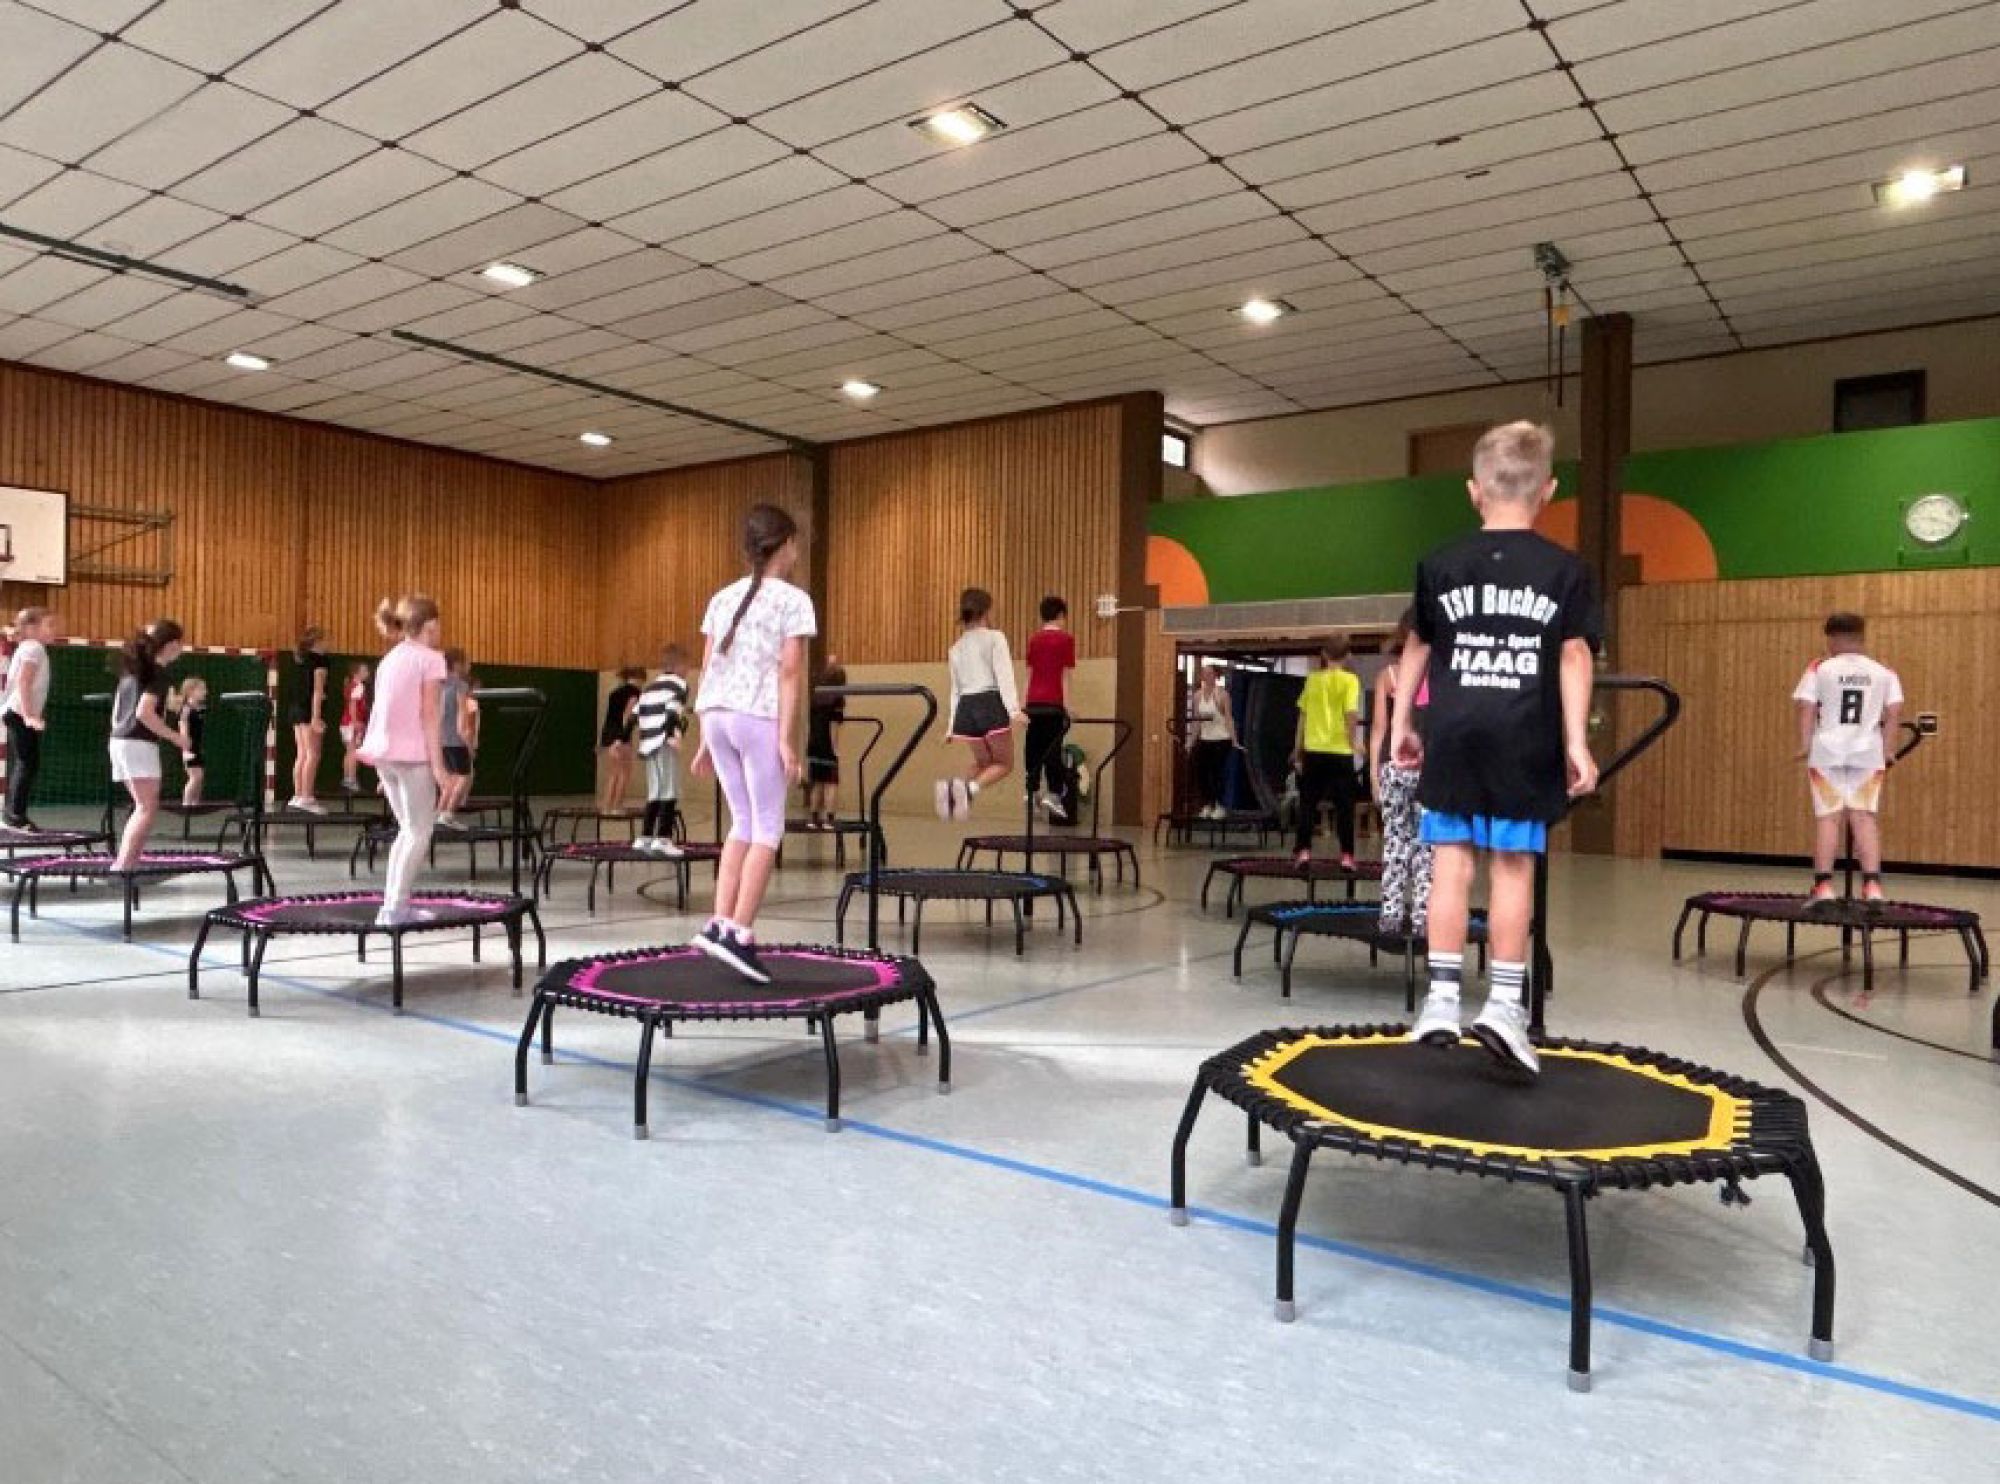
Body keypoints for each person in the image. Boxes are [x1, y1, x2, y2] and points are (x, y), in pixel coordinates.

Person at [1392, 421, 1599, 1076]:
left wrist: (1402, 723)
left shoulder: (1440, 563)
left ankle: (1442, 999)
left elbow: (1416, 647)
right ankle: (1504, 1006)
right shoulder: (1565, 570)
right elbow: (1572, 654)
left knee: (1450, 863)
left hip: (1453, 731)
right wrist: (1576, 742)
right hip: (1523, 735)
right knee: (1513, 866)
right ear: (1549, 492)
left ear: (1474, 491)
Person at [689, 504, 815, 982]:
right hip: (755, 716)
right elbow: (789, 671)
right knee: (767, 830)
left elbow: (709, 663)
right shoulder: (793, 600)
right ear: (784, 545)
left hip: (717, 714)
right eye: (796, 542)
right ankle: (741, 934)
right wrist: (786, 740)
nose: (798, 550)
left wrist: (705, 735)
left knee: (741, 822)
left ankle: (718, 923)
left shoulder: (722, 597)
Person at [1794, 612, 1903, 909]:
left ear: (1832, 638)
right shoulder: (1883, 671)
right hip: (1867, 753)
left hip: (1827, 752)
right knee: (1864, 817)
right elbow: (1893, 712)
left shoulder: (1819, 668)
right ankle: (1872, 886)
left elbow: (1806, 707)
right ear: (1861, 636)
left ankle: (1823, 886)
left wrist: (1804, 745)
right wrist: (1889, 748)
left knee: (1829, 818)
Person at [357, 595, 449, 928]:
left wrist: (385, 764)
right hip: (411, 756)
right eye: (438, 624)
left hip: (385, 753)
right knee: (420, 831)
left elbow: (383, 708)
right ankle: (395, 908)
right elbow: (430, 715)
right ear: (430, 625)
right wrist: (438, 766)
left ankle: (395, 903)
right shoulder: (431, 659)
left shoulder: (390, 658)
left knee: (407, 831)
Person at [108, 619, 188, 871]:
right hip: (138, 743)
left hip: (119, 740)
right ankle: (123, 865)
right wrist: (175, 736)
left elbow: (118, 710)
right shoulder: (158, 673)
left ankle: (129, 862)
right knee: (145, 808)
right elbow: (144, 713)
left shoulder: (133, 671)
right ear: (172, 644)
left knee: (142, 806)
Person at [1370, 610, 1430, 937]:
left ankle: (1390, 914)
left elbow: (1380, 727)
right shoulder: (1438, 672)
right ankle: (1422, 917)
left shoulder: (1389, 676)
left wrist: (1373, 776)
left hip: (1393, 766)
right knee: (1426, 845)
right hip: (1426, 767)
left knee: (1395, 841)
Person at [937, 588, 1020, 821]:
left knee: (984, 764)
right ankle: (967, 791)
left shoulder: (955, 648)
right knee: (1004, 764)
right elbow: (1004, 674)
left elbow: (955, 690)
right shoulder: (995, 637)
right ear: (987, 611)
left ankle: (956, 791)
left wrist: (952, 726)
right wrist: (1014, 709)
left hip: (966, 708)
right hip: (989, 703)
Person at [1291, 636, 1364, 868]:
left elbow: (1302, 716)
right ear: (1348, 656)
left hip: (1314, 750)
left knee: (1308, 803)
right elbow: (1351, 714)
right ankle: (1346, 856)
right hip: (1340, 751)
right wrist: (1354, 743)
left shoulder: (1312, 680)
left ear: (1323, 654)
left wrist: (1297, 748)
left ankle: (1303, 851)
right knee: (1344, 805)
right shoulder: (1350, 680)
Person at [1, 606, 60, 830]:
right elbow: (24, 682)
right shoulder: (34, 648)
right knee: (27, 763)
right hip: (18, 712)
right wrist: (28, 715)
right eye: (49, 625)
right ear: (31, 628)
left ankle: (14, 813)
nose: (54, 630)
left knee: (28, 763)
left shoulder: (30, 647)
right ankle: (14, 816)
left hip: (15, 711)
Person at [634, 643, 689, 856]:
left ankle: (645, 837)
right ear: (678, 666)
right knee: (670, 790)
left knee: (654, 791)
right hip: (664, 742)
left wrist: (622, 737)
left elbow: (634, 715)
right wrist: (670, 736)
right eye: (686, 666)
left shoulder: (649, 687)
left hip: (648, 744)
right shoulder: (679, 685)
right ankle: (664, 838)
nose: (687, 671)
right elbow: (673, 712)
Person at [1023, 597, 1075, 823]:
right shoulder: (1066, 639)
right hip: (1053, 704)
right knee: (1053, 749)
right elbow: (1065, 675)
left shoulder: (1034, 640)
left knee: (1033, 746)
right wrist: (1068, 706)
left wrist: (1022, 706)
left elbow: (1029, 674)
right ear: (1061, 615)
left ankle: (1031, 790)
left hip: (1033, 704)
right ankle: (1053, 793)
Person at [1187, 663, 1239, 820]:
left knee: (1218, 774)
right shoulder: (1197, 695)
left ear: (1216, 676)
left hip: (1221, 740)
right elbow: (1196, 721)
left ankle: (1220, 805)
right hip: (1205, 739)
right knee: (1202, 773)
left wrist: (1234, 740)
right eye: (1204, 673)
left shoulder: (1222, 695)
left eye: (1209, 673)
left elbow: (1229, 718)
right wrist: (1190, 741)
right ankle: (1207, 805)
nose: (1206, 676)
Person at [288, 626, 330, 814]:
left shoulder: (301, 659)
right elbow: (317, 691)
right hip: (307, 710)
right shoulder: (320, 661)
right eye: (326, 639)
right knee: (313, 754)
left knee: (302, 754)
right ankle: (307, 796)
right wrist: (316, 717)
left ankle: (298, 795)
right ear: (318, 641)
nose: (329, 642)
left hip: (296, 709)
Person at [804, 658, 846, 830]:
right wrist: (835, 748)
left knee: (817, 782)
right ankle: (829, 820)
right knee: (831, 784)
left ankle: (814, 819)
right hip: (826, 745)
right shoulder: (837, 700)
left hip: (813, 743)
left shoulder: (815, 699)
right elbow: (833, 726)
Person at [437, 649, 475, 828]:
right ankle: (449, 814)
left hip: (441, 740)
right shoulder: (460, 686)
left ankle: (438, 814)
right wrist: (468, 743)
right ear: (457, 664)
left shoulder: (440, 685)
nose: (469, 665)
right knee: (464, 778)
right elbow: (462, 718)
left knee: (450, 779)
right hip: (456, 740)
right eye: (467, 662)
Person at [598, 666, 643, 813]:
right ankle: (617, 806)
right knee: (624, 773)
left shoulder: (615, 692)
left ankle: (606, 807)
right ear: (639, 678)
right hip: (620, 736)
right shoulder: (634, 692)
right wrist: (621, 738)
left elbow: (610, 717)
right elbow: (627, 717)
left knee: (613, 774)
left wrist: (605, 740)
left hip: (608, 734)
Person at [175, 676, 209, 807]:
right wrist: (185, 750)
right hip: (189, 748)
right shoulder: (186, 710)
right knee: (196, 777)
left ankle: (195, 803)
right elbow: (183, 730)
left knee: (200, 778)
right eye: (201, 689)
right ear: (190, 691)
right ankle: (186, 804)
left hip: (197, 747)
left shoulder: (198, 708)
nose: (205, 692)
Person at [338, 662, 371, 795]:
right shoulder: (358, 686)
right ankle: (351, 780)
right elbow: (353, 704)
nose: (367, 673)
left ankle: (347, 779)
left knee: (349, 751)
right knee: (353, 752)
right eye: (364, 670)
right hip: (351, 724)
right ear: (356, 673)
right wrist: (355, 720)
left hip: (346, 723)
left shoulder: (351, 685)